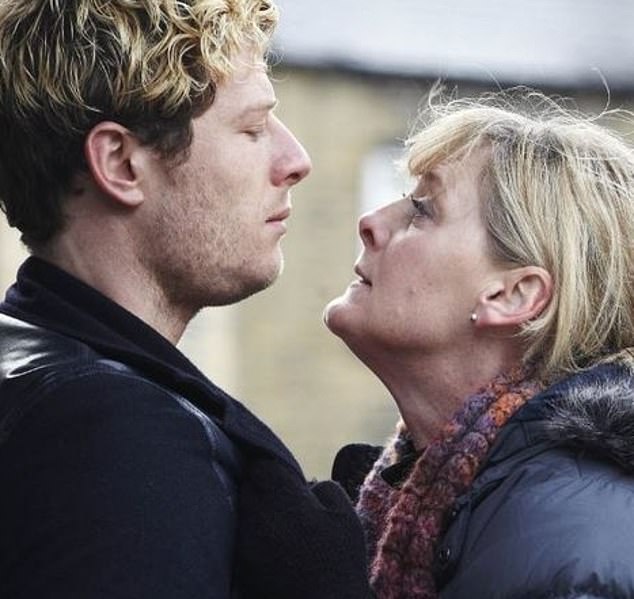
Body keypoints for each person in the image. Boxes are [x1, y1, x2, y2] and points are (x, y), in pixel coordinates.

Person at [0, 1, 371, 598]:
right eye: (252, 129)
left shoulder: (30, 370)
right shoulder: (118, 436)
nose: (295, 160)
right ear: (121, 163)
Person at [325, 91, 634, 599]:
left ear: (513, 295)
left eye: (422, 210)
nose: (372, 223)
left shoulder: (571, 554)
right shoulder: (440, 504)